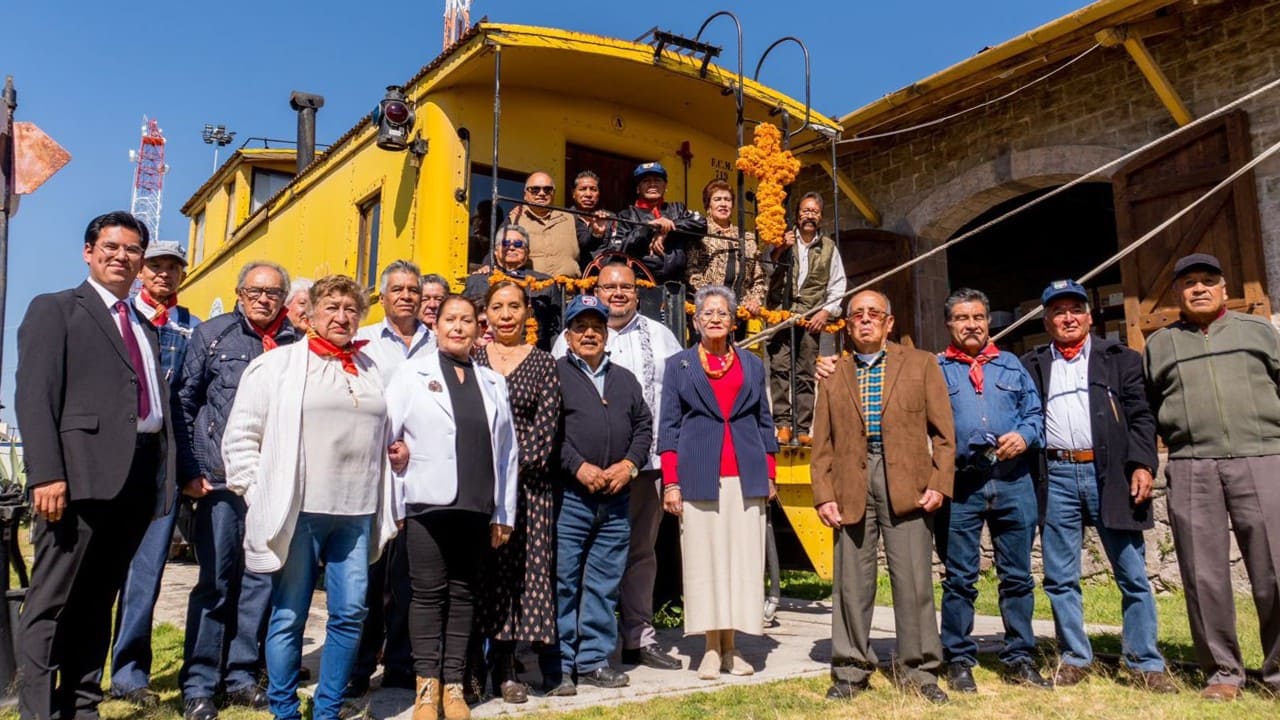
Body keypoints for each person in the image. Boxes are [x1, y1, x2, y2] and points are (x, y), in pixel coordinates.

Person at [15, 211, 175, 720]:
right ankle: (38, 710)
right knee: (52, 602)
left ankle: (81, 704)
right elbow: (35, 398)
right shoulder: (56, 309)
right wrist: (46, 473)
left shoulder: (144, 327)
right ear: (88, 251)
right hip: (75, 479)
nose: (121, 256)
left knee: (97, 600)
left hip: (134, 481)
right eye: (110, 246)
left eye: (132, 250)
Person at [221, 274, 399, 720]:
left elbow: (385, 430)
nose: (342, 317)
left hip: (357, 511)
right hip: (300, 510)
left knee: (351, 611)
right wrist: (260, 494)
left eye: (350, 309)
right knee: (289, 612)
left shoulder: (371, 368)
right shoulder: (277, 366)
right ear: (311, 315)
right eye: (332, 308)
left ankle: (327, 708)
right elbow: (241, 437)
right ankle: (283, 708)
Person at [1020, 280, 1175, 692]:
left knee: (1132, 573)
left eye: (1075, 309)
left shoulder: (1120, 359)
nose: (1067, 317)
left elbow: (1142, 416)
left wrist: (1143, 463)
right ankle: (1075, 657)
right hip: (1055, 477)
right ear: (1046, 319)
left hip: (1110, 475)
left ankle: (1144, 661)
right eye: (1058, 311)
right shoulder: (1032, 364)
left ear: (1089, 316)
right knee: (1059, 576)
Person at [1144, 253, 1280, 701]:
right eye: (1188, 283)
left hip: (1263, 457)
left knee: (1274, 569)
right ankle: (1222, 672)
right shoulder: (1160, 344)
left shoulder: (1258, 331)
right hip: (1191, 464)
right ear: (1177, 294)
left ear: (1224, 289)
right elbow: (1146, 408)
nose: (1198, 289)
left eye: (1207, 281)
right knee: (1203, 574)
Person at [810, 290, 954, 703]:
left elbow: (944, 434)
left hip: (908, 480)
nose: (866, 320)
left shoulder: (922, 364)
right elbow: (822, 442)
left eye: (875, 314)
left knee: (913, 581)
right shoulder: (833, 372)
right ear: (848, 325)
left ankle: (920, 670)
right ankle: (850, 670)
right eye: (858, 315)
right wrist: (823, 493)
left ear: (890, 323)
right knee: (851, 584)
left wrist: (940, 483)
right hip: (852, 482)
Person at [175, 261, 303, 720]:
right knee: (216, 581)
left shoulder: (298, 344)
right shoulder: (211, 336)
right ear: (239, 292)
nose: (264, 299)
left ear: (284, 297)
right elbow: (184, 405)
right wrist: (189, 469)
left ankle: (242, 676)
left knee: (260, 581)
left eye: (273, 292)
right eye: (256, 291)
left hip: (273, 485)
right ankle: (199, 682)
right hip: (222, 481)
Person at [385, 295, 518, 720]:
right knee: (426, 595)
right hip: (426, 502)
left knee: (464, 595)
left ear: (479, 330)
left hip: (478, 503)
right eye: (450, 320)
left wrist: (504, 513)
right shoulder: (411, 374)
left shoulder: (493, 381)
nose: (458, 327)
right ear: (436, 326)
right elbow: (388, 441)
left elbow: (507, 453)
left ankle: (455, 687)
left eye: (466, 321)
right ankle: (427, 689)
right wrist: (396, 502)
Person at [551, 263, 684, 671]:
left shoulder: (662, 337)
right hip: (581, 476)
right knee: (575, 562)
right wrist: (578, 464)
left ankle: (637, 637)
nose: (619, 292)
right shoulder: (564, 342)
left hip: (642, 468)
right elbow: (555, 414)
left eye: (626, 286)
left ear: (637, 292)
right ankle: (577, 651)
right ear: (597, 291)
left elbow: (672, 399)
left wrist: (634, 462)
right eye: (610, 286)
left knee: (640, 553)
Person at [658, 285, 779, 680]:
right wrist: (671, 482)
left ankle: (734, 646)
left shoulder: (752, 365)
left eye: (722, 313)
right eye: (707, 313)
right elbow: (669, 428)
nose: (714, 318)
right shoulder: (679, 366)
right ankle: (710, 647)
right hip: (698, 474)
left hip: (746, 475)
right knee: (705, 561)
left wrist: (771, 473)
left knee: (742, 561)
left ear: (732, 320)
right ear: (695, 321)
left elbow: (764, 422)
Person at [935, 288, 1050, 693]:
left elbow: (1036, 415)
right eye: (963, 318)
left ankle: (1020, 656)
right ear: (949, 324)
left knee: (1017, 577)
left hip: (1012, 481)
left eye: (978, 317)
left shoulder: (1012, 366)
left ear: (987, 322)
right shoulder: (937, 369)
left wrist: (1023, 434)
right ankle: (959, 659)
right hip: (961, 485)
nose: (972, 325)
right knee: (960, 579)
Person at [108, 240, 202, 707]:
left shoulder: (193, 328)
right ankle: (76, 668)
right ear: (142, 272)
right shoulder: (117, 315)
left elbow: (192, 402)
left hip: (162, 463)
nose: (164, 274)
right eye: (156, 266)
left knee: (146, 573)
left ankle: (129, 673)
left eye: (173, 267)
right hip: (111, 458)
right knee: (97, 572)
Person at [547, 295, 653, 696]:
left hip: (616, 499)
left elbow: (644, 426)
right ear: (569, 336)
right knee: (564, 581)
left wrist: (628, 466)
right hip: (571, 498)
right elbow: (549, 432)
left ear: (606, 334)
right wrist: (577, 466)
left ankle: (593, 660)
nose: (589, 333)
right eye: (580, 328)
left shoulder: (625, 378)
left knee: (603, 583)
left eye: (596, 327)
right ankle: (561, 664)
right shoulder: (553, 373)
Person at [348, 260, 435, 697]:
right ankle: (359, 666)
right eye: (397, 289)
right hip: (373, 474)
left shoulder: (435, 344)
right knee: (369, 577)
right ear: (382, 296)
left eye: (413, 290)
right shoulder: (365, 345)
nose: (406, 296)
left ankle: (401, 663)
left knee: (411, 578)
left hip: (421, 477)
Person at [474, 280, 563, 703]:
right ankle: (470, 668)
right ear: (486, 314)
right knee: (477, 576)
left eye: (514, 306)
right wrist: (484, 477)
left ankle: (507, 669)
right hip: (476, 488)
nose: (506, 314)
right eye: (497, 307)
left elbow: (544, 435)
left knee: (519, 578)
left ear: (528, 312)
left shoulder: (544, 364)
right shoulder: (471, 359)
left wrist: (505, 475)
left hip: (529, 490)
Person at [765, 192, 846, 446]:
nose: (809, 215)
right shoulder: (781, 240)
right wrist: (779, 249)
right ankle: (783, 425)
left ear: (820, 217)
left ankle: (802, 427)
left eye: (815, 211)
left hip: (812, 318)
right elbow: (765, 271)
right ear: (797, 215)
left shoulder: (829, 248)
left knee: (805, 372)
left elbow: (837, 285)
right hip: (781, 314)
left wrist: (825, 312)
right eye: (805, 211)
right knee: (779, 368)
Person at [609, 162, 707, 284]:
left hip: (676, 285)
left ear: (665, 186)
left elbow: (701, 224)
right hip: (640, 284)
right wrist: (649, 228)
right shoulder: (625, 215)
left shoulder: (678, 208)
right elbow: (616, 250)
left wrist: (669, 228)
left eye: (657, 180)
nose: (653, 184)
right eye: (646, 181)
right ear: (638, 188)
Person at [464, 225, 560, 348]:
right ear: (495, 251)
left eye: (518, 244)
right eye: (505, 243)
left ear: (527, 252)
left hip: (532, 354)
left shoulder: (545, 282)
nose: (511, 247)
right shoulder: (477, 281)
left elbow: (555, 329)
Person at [687, 179, 766, 315]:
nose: (723, 204)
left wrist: (754, 300)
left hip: (740, 311)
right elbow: (691, 271)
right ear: (708, 205)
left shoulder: (747, 237)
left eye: (727, 200)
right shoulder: (699, 233)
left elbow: (759, 277)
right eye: (717, 199)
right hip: (708, 309)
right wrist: (713, 297)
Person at [507, 170, 580, 278]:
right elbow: (498, 247)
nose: (541, 193)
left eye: (547, 189)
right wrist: (486, 265)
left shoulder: (570, 218)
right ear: (525, 195)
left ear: (553, 193)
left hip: (567, 290)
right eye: (535, 189)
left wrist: (598, 230)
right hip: (530, 289)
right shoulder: (514, 219)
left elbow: (588, 242)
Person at [570, 170, 610, 266]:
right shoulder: (564, 218)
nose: (588, 194)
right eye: (582, 189)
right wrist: (596, 234)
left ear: (599, 194)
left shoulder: (610, 219)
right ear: (573, 193)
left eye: (593, 189)